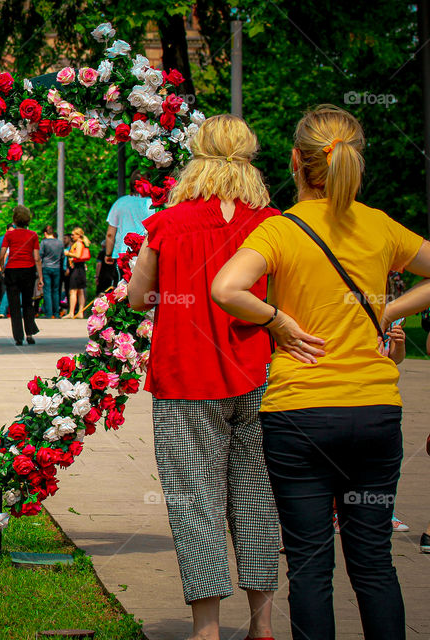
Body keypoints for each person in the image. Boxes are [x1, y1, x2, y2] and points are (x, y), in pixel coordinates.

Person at [211, 104, 430, 640]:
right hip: (376, 410)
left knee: (310, 565)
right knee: (375, 561)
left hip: (300, 413)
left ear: (295, 162)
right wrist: (390, 310)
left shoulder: (281, 231)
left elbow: (224, 288)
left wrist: (277, 320)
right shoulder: (379, 226)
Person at [128, 114, 281, 640]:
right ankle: (262, 623)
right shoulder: (270, 223)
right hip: (258, 371)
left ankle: (207, 629)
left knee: (194, 501)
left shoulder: (167, 224)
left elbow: (136, 297)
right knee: (257, 498)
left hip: (183, 376)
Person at [0, 205, 42, 345]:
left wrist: (2, 268)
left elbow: (2, 253)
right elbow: (36, 257)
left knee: (14, 304)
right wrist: (40, 277)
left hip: (12, 270)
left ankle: (18, 337)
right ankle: (29, 334)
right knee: (28, 303)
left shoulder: (9, 234)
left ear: (14, 219)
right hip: (28, 270)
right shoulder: (33, 235)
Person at [105, 171, 155, 284]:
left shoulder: (120, 203)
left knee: (121, 289)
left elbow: (110, 233)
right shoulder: (153, 204)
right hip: (146, 254)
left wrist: (108, 254)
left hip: (123, 254)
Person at [63, 228, 91, 319]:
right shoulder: (79, 243)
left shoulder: (78, 244)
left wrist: (68, 254)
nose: (72, 236)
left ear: (79, 235)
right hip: (80, 268)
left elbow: (78, 255)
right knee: (80, 291)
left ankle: (71, 312)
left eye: (73, 234)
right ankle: (80, 312)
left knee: (73, 290)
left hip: (77, 269)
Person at [39, 225, 63, 319]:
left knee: (47, 291)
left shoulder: (44, 242)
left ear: (45, 233)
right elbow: (62, 256)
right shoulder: (60, 243)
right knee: (56, 291)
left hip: (46, 267)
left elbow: (40, 255)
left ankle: (49, 313)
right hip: (57, 268)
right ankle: (56, 313)